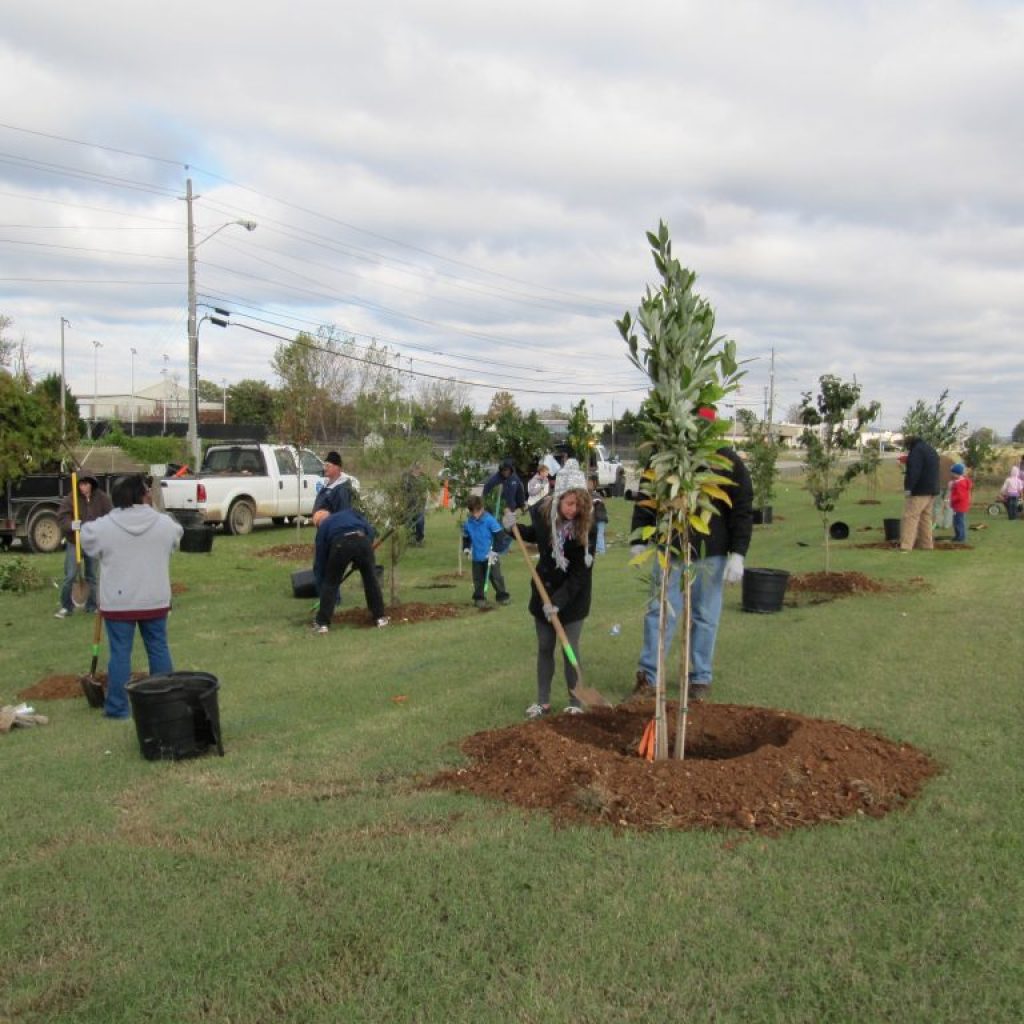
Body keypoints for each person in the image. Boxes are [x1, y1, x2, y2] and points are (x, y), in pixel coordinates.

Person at [630, 407, 753, 704]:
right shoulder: (665, 458)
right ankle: (649, 676)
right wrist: (640, 533)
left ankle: (700, 679)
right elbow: (646, 498)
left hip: (711, 554)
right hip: (669, 551)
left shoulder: (727, 461)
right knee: (659, 613)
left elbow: (742, 509)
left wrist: (738, 553)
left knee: (705, 617)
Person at [80, 475, 183, 720]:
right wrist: (155, 510)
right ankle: (163, 701)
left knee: (120, 655)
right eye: (147, 491)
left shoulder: (105, 526)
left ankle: (118, 708)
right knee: (158, 650)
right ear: (142, 495)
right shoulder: (163, 523)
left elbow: (86, 537)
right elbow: (176, 534)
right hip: (154, 599)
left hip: (118, 602)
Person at [506, 458, 594, 718]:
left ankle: (576, 702)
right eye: (569, 503)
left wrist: (558, 601)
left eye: (578, 504)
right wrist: (512, 527)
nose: (573, 509)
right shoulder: (545, 515)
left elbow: (579, 574)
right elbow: (535, 535)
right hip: (543, 591)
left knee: (569, 649)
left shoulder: (586, 528)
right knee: (545, 645)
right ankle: (543, 702)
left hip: (573, 598)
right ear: (558, 500)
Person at [312, 506, 388, 634]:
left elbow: (320, 561)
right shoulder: (350, 513)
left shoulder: (323, 528)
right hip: (362, 540)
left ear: (318, 524)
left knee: (331, 583)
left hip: (340, 544)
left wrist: (321, 584)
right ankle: (380, 617)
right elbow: (370, 530)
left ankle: (322, 623)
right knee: (371, 580)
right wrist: (361, 556)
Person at [55, 473, 113, 618]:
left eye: (85, 484)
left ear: (91, 485)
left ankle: (92, 605)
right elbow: (62, 517)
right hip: (75, 541)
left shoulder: (101, 498)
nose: (83, 487)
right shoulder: (71, 498)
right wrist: (70, 525)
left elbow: (111, 515)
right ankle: (66, 607)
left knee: (92, 576)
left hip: (93, 542)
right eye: (80, 484)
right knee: (70, 575)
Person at [462, 494, 511, 609]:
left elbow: (500, 537)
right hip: (477, 556)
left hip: (490, 555)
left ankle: (502, 596)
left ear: (482, 508)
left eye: (477, 511)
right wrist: (466, 549)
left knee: (496, 577)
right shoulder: (468, 523)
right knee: (478, 579)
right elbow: (466, 537)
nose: (475, 515)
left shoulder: (490, 520)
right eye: (472, 512)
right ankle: (479, 598)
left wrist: (495, 551)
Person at [899, 436, 941, 550]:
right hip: (932, 489)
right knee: (925, 517)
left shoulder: (916, 452)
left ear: (909, 444)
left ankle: (906, 545)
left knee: (910, 516)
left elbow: (913, 471)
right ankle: (926, 544)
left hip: (920, 490)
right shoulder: (931, 450)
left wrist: (908, 488)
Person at [311, 451, 357, 527]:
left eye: (327, 466)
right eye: (324, 466)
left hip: (334, 530)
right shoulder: (327, 484)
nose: (324, 468)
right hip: (324, 529)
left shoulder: (342, 489)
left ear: (337, 467)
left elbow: (343, 514)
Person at [402, 463, 427, 545]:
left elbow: (425, 491)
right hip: (409, 505)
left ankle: (419, 539)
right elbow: (404, 489)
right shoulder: (407, 478)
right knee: (409, 523)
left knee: (420, 522)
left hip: (419, 505)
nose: (418, 470)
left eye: (419, 469)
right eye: (417, 469)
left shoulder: (423, 478)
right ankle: (410, 539)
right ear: (413, 469)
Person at [949, 463, 972, 543]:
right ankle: (958, 535)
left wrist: (951, 499)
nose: (951, 474)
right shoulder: (957, 482)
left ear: (956, 474)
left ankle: (961, 537)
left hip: (959, 506)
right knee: (956, 521)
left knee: (959, 521)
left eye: (952, 473)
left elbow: (960, 496)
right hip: (958, 506)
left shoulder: (960, 484)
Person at [587, 472, 608, 554]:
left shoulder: (596, 495)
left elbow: (600, 502)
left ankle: (601, 550)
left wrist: (595, 501)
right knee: (595, 534)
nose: (588, 485)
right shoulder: (588, 495)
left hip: (601, 518)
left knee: (599, 534)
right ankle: (597, 549)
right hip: (595, 519)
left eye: (590, 483)